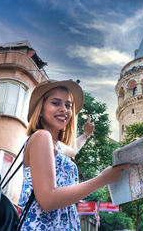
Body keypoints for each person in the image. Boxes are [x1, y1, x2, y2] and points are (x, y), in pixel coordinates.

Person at [18, 80, 128, 230]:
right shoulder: (41, 136)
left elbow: (74, 149)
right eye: (56, 103)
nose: (64, 109)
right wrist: (103, 179)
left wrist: (86, 135)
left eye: (68, 105)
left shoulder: (54, 144)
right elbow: (48, 199)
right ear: (41, 109)